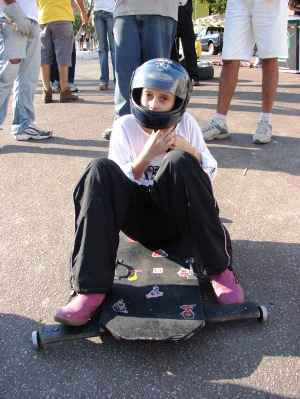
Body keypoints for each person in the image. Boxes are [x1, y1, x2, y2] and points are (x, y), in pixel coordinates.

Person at [54, 58, 244, 327]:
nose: (154, 104)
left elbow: (210, 172)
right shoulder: (125, 126)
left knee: (179, 161)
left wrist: (186, 149)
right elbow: (116, 181)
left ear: (177, 102)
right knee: (98, 169)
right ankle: (90, 290)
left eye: (163, 98)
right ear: (137, 95)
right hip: (136, 221)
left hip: (176, 218)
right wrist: (147, 154)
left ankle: (219, 271)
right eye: (149, 95)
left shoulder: (186, 123)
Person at [202, 0, 288, 144]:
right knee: (229, 58)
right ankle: (219, 122)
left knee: (269, 57)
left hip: (269, 3)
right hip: (238, 2)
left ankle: (265, 121)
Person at [102, 0, 180, 140]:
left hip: (161, 8)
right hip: (125, 9)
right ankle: (123, 121)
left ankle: (158, 123)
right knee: (124, 73)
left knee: (159, 75)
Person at [0, 0, 52, 141]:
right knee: (5, 76)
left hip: (32, 18)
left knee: (28, 77)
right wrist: (12, 9)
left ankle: (23, 124)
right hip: (10, 17)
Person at [37, 0, 87, 103]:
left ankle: (46, 91)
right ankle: (64, 91)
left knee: (44, 56)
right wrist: (83, 11)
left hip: (43, 18)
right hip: (62, 17)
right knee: (63, 56)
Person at [171, 0, 200, 86]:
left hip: (185, 13)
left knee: (189, 48)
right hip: (171, 11)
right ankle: (174, 75)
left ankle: (193, 76)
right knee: (172, 50)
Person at [92, 0, 116, 91]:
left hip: (111, 12)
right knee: (102, 48)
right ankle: (103, 80)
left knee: (114, 48)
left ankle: (117, 80)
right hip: (97, 12)